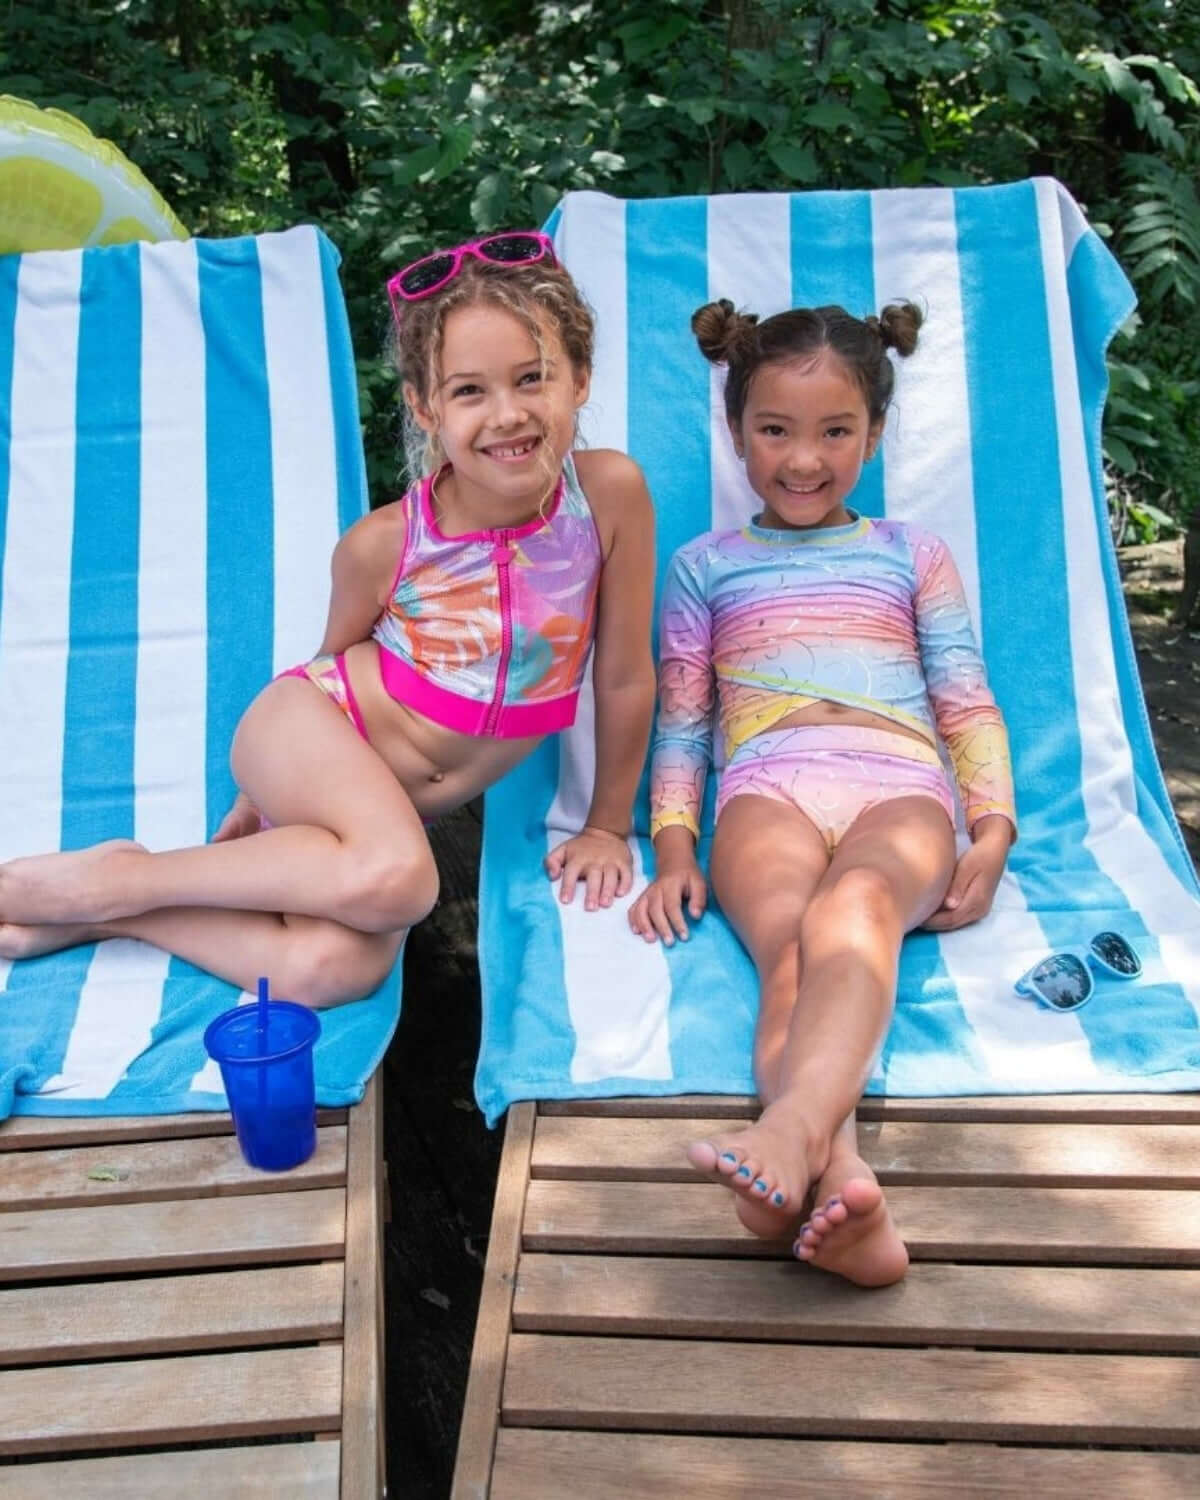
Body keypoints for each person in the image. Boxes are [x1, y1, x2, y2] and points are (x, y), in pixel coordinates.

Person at [0, 231, 656, 1004]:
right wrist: (271, 792)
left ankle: (124, 911)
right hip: (312, 730)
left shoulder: (608, 495)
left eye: (532, 378)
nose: (507, 414)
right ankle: (121, 877)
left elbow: (621, 677)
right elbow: (330, 662)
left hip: (371, 816)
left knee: (335, 969)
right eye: (470, 391)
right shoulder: (386, 543)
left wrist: (607, 825)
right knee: (405, 880)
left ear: (580, 379)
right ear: (424, 406)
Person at [629, 297, 1016, 1286]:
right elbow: (682, 717)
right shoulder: (704, 568)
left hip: (899, 786)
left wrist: (992, 829)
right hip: (767, 787)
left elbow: (965, 702)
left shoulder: (910, 553)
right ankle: (841, 1187)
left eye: (835, 431)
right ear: (736, 432)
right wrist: (675, 843)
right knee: (791, 950)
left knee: (857, 907)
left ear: (875, 433)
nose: (803, 460)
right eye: (775, 431)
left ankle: (794, 1134)